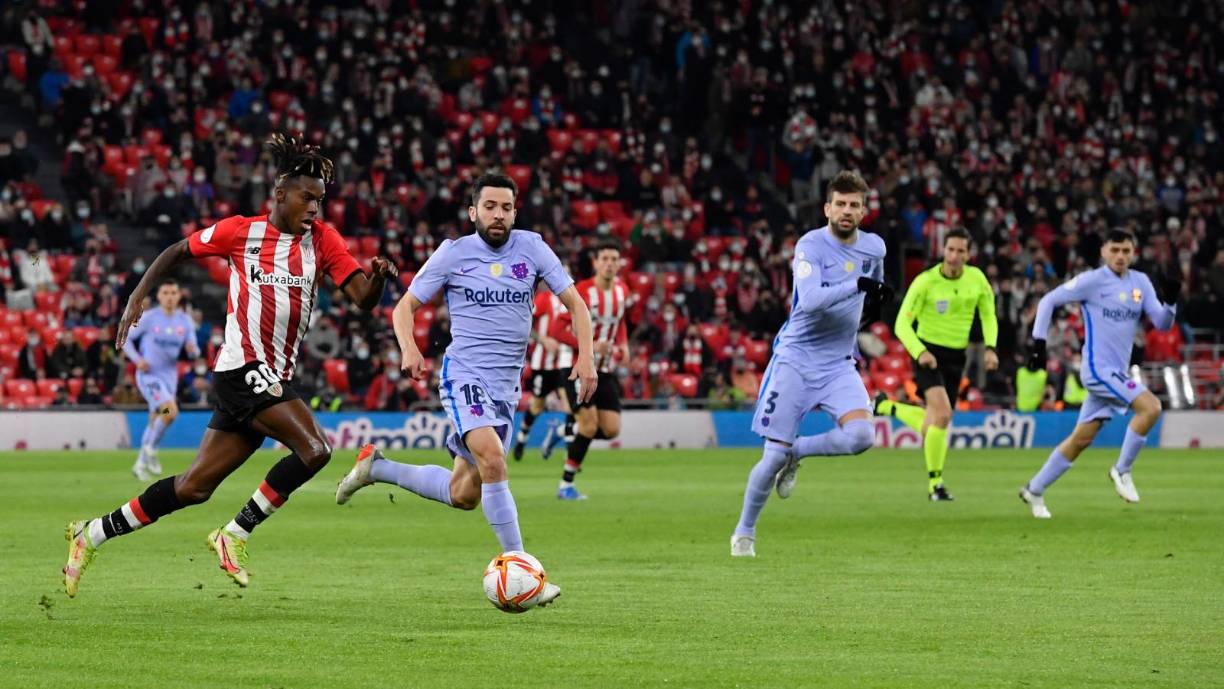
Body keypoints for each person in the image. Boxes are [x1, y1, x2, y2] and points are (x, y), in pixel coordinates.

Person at [63, 133, 396, 597]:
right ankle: (234, 534)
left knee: (194, 487)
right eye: (307, 197)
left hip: (272, 377)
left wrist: (377, 277)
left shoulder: (322, 241)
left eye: (320, 200)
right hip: (242, 368)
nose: (315, 208)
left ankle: (90, 534)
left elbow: (361, 298)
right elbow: (178, 250)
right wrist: (138, 296)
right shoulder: (243, 231)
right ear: (280, 194)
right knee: (315, 450)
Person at [334, 172, 598, 607]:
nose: (499, 215)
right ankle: (522, 569)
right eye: (490, 207)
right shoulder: (453, 254)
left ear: (516, 212)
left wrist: (585, 356)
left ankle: (376, 468)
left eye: (506, 208)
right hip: (464, 377)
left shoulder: (532, 247)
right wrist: (410, 348)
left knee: (464, 494)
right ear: (473, 211)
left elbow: (576, 303)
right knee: (494, 461)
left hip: (506, 390)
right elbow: (405, 307)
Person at [730, 171, 893, 557]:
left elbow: (875, 292)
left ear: (864, 210)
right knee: (770, 458)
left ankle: (798, 452)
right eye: (840, 204)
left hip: (838, 364)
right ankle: (744, 532)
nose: (846, 210)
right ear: (827, 208)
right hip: (796, 361)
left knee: (862, 437)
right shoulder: (810, 245)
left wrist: (872, 301)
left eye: (854, 204)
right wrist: (858, 286)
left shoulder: (875, 248)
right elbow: (813, 299)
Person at [1019, 230, 1177, 518]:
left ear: (1133, 252)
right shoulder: (1091, 281)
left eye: (1126, 251)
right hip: (1097, 371)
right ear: (1104, 251)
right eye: (1115, 250)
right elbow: (1048, 301)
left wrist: (1172, 301)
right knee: (1151, 407)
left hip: (1117, 372)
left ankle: (1034, 489)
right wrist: (1039, 343)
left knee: (1080, 440)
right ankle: (1122, 470)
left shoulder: (1140, 282)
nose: (1120, 256)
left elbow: (1163, 323)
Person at [874, 228, 999, 500]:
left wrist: (990, 347)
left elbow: (988, 315)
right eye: (950, 250)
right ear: (943, 250)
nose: (954, 256)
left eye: (960, 251)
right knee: (942, 415)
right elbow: (902, 324)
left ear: (969, 254)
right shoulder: (925, 282)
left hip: (957, 357)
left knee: (933, 422)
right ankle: (936, 485)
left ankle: (886, 406)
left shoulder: (977, 280)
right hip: (928, 354)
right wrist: (920, 352)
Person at [547, 240, 630, 500]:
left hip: (605, 371)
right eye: (604, 258)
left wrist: (623, 344)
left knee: (611, 429)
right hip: (578, 368)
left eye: (614, 259)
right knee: (589, 424)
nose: (609, 263)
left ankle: (564, 432)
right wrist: (591, 347)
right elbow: (556, 329)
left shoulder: (621, 291)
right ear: (595, 263)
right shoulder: (581, 290)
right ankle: (565, 485)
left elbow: (620, 320)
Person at [121, 279, 201, 480]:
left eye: (173, 293)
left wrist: (192, 351)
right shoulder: (149, 318)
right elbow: (125, 340)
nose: (170, 297)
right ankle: (152, 450)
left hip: (169, 378)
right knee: (170, 411)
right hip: (149, 376)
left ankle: (140, 464)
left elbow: (195, 350)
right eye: (166, 293)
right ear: (159, 296)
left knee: (157, 416)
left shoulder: (185, 321)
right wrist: (138, 360)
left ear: (179, 296)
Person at [510, 284, 575, 461]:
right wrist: (543, 339)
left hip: (564, 363)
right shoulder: (544, 298)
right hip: (543, 364)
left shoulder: (572, 299)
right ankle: (522, 439)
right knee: (537, 405)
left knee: (570, 406)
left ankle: (570, 453)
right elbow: (526, 323)